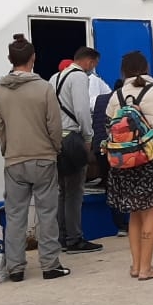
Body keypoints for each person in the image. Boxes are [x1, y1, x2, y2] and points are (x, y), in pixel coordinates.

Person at [0, 34, 70, 282]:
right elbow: (54, 126)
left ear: (9, 59)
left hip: (14, 159)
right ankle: (49, 265)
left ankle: (15, 268)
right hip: (43, 157)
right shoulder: (44, 88)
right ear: (33, 58)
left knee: (15, 215)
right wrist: (54, 148)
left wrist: (7, 147)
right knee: (47, 213)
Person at [106, 52, 153, 278]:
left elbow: (110, 128)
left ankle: (136, 265)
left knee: (134, 214)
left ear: (123, 71)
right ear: (147, 68)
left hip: (125, 162)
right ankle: (147, 268)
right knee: (151, 215)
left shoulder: (116, 95)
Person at [47, 47, 103, 254]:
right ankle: (75, 239)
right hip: (73, 138)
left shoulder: (55, 77)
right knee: (75, 192)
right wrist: (89, 137)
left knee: (62, 191)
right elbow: (81, 109)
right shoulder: (79, 77)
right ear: (89, 61)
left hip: (56, 139)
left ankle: (61, 237)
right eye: (94, 65)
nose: (93, 69)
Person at [91, 79, 128, 237]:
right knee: (129, 184)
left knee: (110, 186)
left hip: (100, 148)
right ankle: (136, 221)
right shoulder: (125, 100)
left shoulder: (99, 99)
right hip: (118, 149)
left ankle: (120, 226)